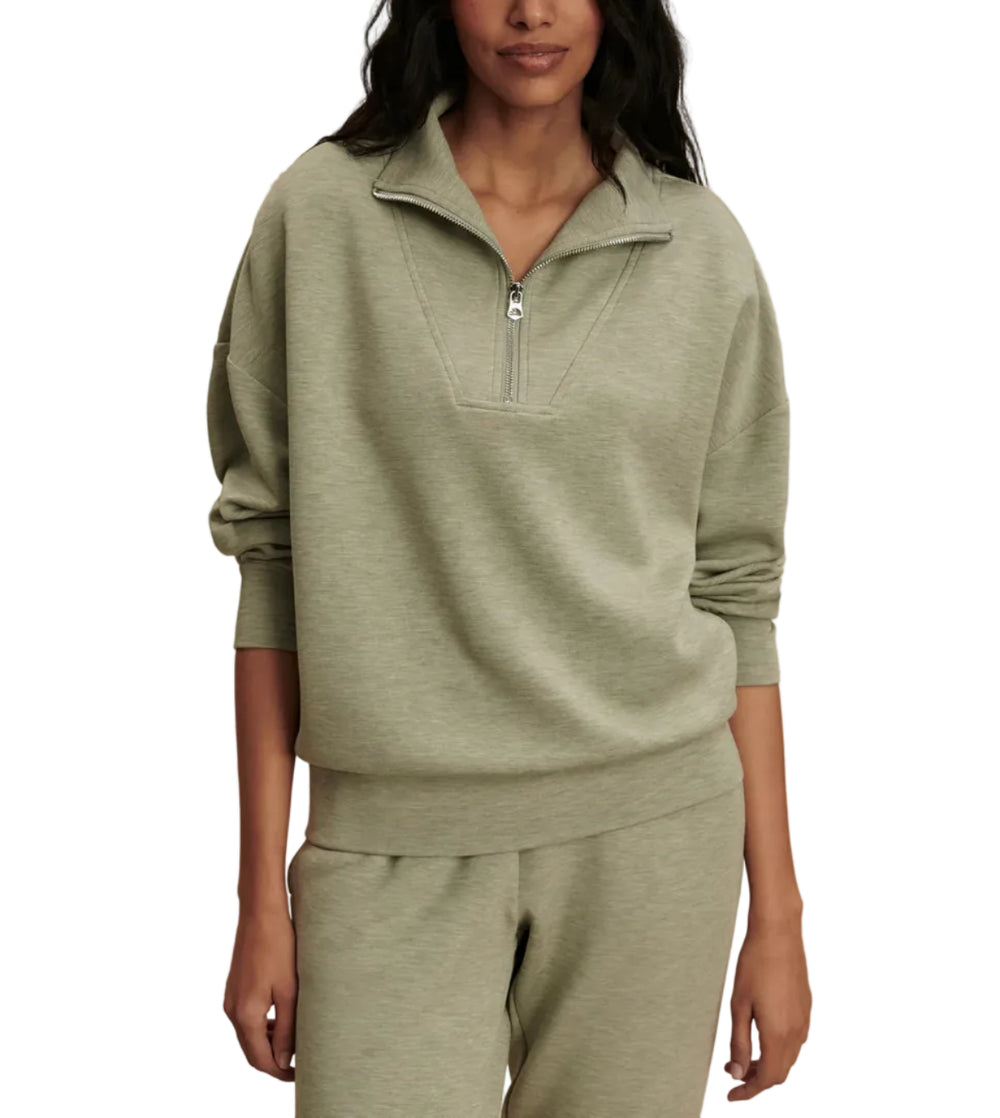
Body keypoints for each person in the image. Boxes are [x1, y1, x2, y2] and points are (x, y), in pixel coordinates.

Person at [206, 1, 811, 1114]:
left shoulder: (699, 247)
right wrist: (258, 903)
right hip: (389, 843)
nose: (531, 10)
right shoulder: (322, 215)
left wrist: (777, 912)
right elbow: (270, 560)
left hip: (654, 836)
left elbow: (735, 591)